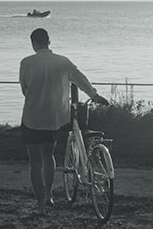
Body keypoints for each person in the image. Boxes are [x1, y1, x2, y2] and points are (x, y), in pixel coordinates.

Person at [19, 27, 107, 213]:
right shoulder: (62, 62)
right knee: (48, 155)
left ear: (33, 44)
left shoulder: (26, 63)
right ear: (49, 41)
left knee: (35, 161)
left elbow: (24, 89)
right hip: (54, 119)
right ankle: (50, 194)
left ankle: (40, 204)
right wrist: (94, 95)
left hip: (32, 118)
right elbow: (81, 79)